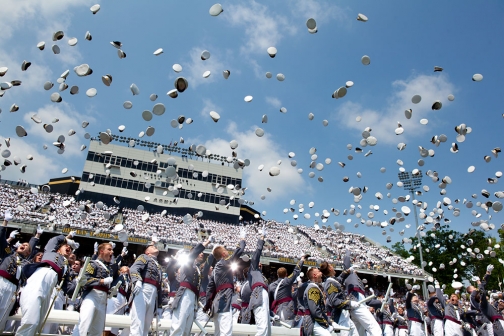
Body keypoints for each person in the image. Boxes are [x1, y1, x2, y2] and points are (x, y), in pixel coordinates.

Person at [17, 231, 79, 336]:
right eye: (66, 246)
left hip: (50, 287)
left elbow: (68, 288)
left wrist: (79, 282)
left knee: (39, 322)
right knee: (30, 321)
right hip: (41, 276)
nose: (69, 248)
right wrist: (68, 239)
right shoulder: (51, 252)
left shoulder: (66, 267)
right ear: (59, 248)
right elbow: (54, 240)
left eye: (71, 248)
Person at [0, 211, 41, 333]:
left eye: (26, 246)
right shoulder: (8, 253)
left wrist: (37, 235)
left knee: (3, 315)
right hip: (1, 282)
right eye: (22, 244)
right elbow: (1, 240)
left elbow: (31, 247)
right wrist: (5, 222)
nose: (23, 245)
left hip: (13, 289)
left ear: (29, 253)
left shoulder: (26, 263)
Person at [205, 227, 246, 336]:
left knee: (218, 333)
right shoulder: (223, 263)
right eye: (226, 250)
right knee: (226, 332)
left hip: (216, 304)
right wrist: (242, 239)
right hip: (224, 302)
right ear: (223, 254)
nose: (228, 252)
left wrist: (207, 305)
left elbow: (210, 289)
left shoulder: (215, 270)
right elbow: (239, 251)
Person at [170, 236, 212, 336]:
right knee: (179, 323)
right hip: (185, 293)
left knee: (187, 327)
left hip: (193, 296)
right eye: (200, 252)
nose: (202, 253)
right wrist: (206, 242)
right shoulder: (188, 262)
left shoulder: (196, 267)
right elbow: (193, 253)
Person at [72, 242, 115, 336]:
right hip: (92, 295)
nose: (112, 251)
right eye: (109, 249)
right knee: (84, 323)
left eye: (112, 250)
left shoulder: (109, 269)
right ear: (101, 251)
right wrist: (102, 281)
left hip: (103, 299)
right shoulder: (93, 263)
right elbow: (85, 279)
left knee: (98, 329)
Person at [130, 240, 163, 336]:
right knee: (138, 322)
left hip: (153, 294)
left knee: (146, 325)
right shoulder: (144, 257)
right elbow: (134, 268)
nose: (155, 247)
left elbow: (159, 286)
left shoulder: (158, 265)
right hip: (143, 289)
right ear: (147, 252)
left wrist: (159, 305)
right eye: (152, 247)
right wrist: (137, 280)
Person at [319, 261, 355, 336]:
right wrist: (350, 303)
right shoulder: (330, 283)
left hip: (344, 314)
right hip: (340, 316)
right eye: (331, 266)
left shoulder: (332, 280)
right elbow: (335, 301)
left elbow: (339, 279)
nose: (333, 267)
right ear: (330, 269)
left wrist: (347, 271)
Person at [246, 225, 270, 336]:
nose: (260, 264)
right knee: (263, 328)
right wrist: (262, 237)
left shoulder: (258, 274)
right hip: (259, 293)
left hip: (262, 293)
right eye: (258, 263)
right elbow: (257, 252)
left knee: (267, 329)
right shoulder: (253, 269)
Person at [269, 254, 305, 327]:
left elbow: (269, 302)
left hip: (275, 311)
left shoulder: (271, 286)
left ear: (277, 274)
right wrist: (302, 260)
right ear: (286, 274)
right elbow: (296, 271)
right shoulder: (286, 281)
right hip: (287, 310)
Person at [302, 267, 332, 336]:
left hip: (316, 321)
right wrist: (326, 324)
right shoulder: (313, 288)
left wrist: (330, 322)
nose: (321, 273)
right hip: (313, 322)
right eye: (319, 272)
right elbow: (315, 311)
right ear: (314, 275)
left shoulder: (315, 287)